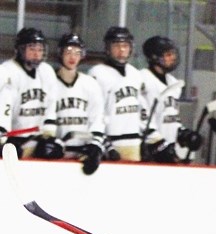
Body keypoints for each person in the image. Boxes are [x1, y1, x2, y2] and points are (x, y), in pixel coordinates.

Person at [89, 26, 170, 163]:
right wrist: (102, 144)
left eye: (125, 46)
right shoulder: (97, 73)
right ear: (108, 48)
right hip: (110, 146)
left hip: (134, 145)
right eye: (116, 46)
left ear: (131, 48)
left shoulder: (135, 74)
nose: (121, 50)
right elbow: (95, 114)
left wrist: (156, 140)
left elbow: (142, 113)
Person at [0, 27, 61, 159]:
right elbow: (3, 107)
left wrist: (48, 136)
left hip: (36, 139)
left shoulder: (47, 71)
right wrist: (3, 137)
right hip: (11, 140)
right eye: (32, 49)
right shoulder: (6, 71)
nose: (36, 54)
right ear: (20, 50)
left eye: (40, 49)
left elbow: (51, 105)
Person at [51, 33, 106, 175]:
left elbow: (97, 117)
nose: (72, 57)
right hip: (57, 152)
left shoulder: (90, 84)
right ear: (60, 53)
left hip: (83, 153)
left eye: (77, 53)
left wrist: (95, 144)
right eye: (68, 52)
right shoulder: (50, 83)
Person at [139, 36, 202, 161]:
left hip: (168, 147)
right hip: (149, 149)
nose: (172, 58)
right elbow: (140, 117)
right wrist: (156, 142)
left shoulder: (173, 83)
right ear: (154, 57)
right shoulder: (142, 79)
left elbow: (171, 116)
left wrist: (183, 134)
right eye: (168, 55)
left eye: (173, 54)